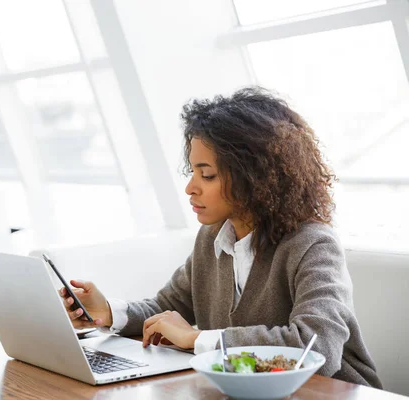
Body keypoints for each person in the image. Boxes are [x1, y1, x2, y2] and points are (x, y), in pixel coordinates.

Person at [60, 87, 382, 388]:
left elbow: (316, 345)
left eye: (207, 174)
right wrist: (108, 312)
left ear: (253, 177)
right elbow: (167, 308)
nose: (191, 188)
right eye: (193, 172)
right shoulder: (212, 239)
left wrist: (199, 340)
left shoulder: (313, 245)